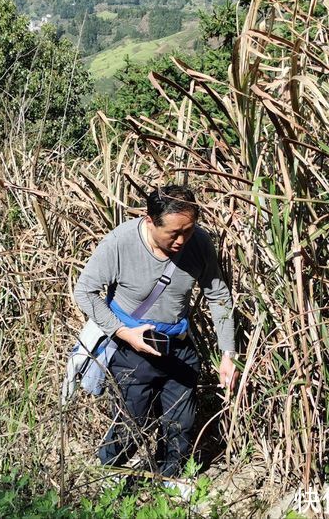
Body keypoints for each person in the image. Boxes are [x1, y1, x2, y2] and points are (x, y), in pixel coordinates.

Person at [73, 184, 238, 478]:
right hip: (130, 349)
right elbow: (85, 292)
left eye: (188, 230)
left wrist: (228, 354)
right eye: (173, 233)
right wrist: (124, 333)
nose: (181, 240)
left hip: (178, 345)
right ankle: (110, 472)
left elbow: (218, 295)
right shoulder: (120, 242)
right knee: (130, 424)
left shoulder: (198, 243)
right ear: (150, 221)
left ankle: (170, 478)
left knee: (181, 422)